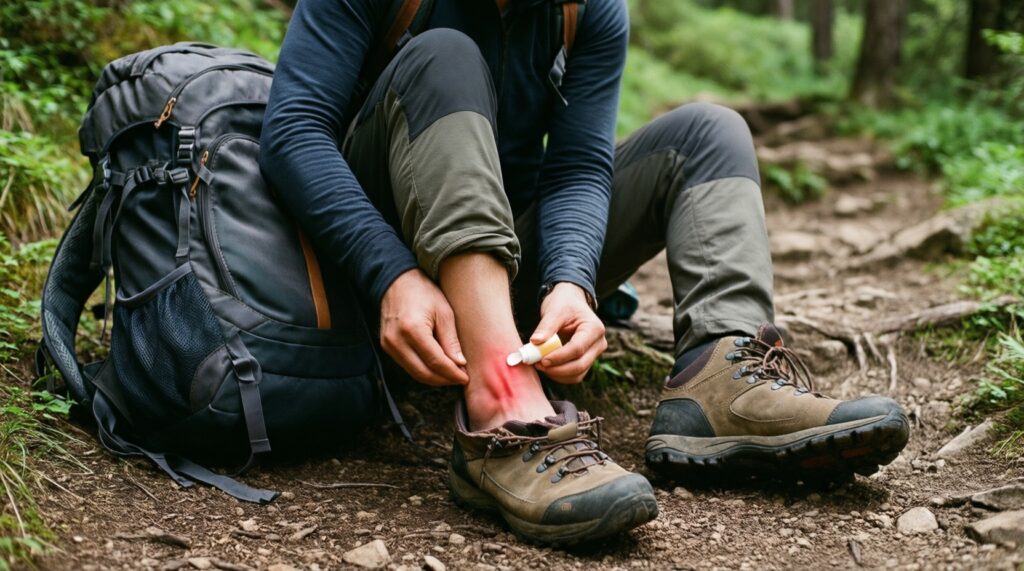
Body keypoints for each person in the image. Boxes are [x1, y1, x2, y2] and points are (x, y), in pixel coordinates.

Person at [259, 0, 910, 545]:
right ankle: (504, 410)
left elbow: (576, 167)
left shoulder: (587, 8)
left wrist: (570, 279)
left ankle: (722, 382)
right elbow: (293, 130)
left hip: (502, 256)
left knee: (709, 133)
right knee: (446, 54)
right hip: (388, 271)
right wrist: (389, 272)